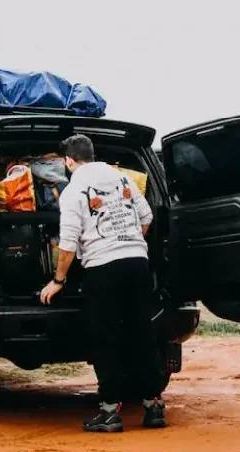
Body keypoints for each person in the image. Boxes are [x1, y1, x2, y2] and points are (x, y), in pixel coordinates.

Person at [40, 134, 166, 431]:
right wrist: (129, 241)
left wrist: (58, 280)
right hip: (137, 263)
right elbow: (146, 217)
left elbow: (68, 243)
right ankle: (154, 407)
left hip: (102, 268)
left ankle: (110, 412)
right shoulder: (122, 178)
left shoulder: (73, 191)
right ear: (92, 154)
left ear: (68, 161)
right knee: (142, 334)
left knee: (105, 338)